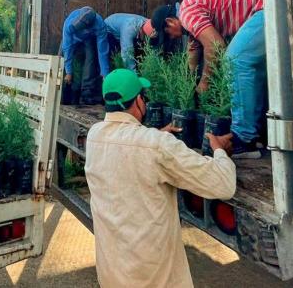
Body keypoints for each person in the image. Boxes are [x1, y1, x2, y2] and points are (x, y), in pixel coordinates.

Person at [85, 69, 235, 288]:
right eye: (143, 98)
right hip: (153, 281)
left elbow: (130, 151)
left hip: (112, 276)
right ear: (138, 101)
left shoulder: (94, 135)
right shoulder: (155, 146)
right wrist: (219, 150)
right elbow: (223, 184)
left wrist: (157, 136)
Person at [151, 0, 265, 158]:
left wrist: (205, 82)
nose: (173, 38)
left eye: (170, 35)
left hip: (267, 3)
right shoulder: (191, 15)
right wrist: (188, 85)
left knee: (235, 60)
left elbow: (216, 46)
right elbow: (193, 54)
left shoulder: (187, 14)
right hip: (266, 2)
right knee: (253, 70)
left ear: (170, 22)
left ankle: (243, 141)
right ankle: (253, 134)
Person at [61, 6, 110, 105]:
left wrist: (105, 73)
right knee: (60, 59)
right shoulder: (69, 25)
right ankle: (60, 92)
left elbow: (102, 51)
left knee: (91, 59)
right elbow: (67, 48)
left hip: (88, 39)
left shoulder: (100, 25)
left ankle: (87, 94)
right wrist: (69, 72)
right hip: (72, 38)